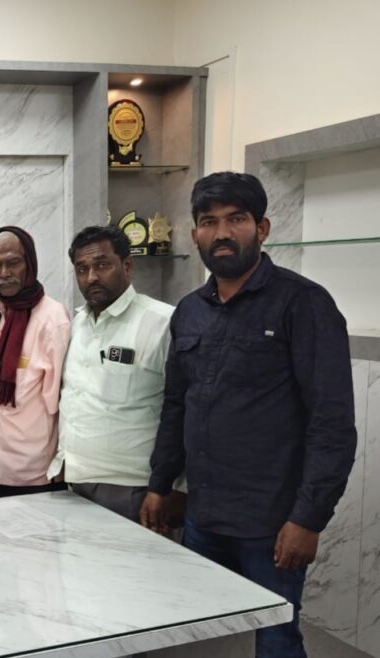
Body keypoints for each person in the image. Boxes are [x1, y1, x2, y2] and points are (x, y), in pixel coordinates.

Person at [141, 172, 357, 658]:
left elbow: (332, 423)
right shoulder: (189, 311)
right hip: (203, 516)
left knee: (277, 642)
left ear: (262, 228)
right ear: (194, 234)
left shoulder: (303, 304)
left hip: (272, 522)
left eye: (236, 219)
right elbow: (177, 404)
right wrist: (161, 483)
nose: (221, 233)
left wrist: (308, 519)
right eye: (208, 222)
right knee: (197, 641)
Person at [50, 225, 185, 524]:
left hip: (135, 487)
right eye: (82, 269)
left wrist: (175, 486)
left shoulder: (163, 322)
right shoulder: (77, 323)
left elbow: (185, 409)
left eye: (102, 265)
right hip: (75, 479)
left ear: (127, 266)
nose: (91, 277)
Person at [0, 226, 72, 500]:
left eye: (12, 262)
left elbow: (62, 402)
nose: (4, 273)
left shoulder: (52, 318)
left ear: (30, 263)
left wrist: (62, 462)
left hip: (29, 471)